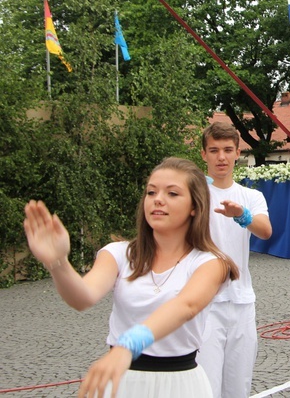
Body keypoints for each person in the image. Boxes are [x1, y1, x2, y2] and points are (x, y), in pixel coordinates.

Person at [23, 157, 239, 397]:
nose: (158, 199)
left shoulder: (211, 263)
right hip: (120, 382)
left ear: (194, 207)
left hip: (180, 384)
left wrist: (129, 345)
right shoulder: (118, 254)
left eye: (172, 194)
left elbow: (185, 306)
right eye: (151, 192)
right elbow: (82, 298)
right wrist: (58, 263)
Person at [197, 123, 273, 398]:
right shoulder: (195, 195)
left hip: (241, 301)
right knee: (205, 387)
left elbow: (265, 231)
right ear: (204, 154)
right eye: (214, 150)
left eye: (228, 150)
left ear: (238, 153)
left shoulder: (251, 196)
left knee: (238, 387)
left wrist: (243, 216)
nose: (221, 157)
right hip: (204, 304)